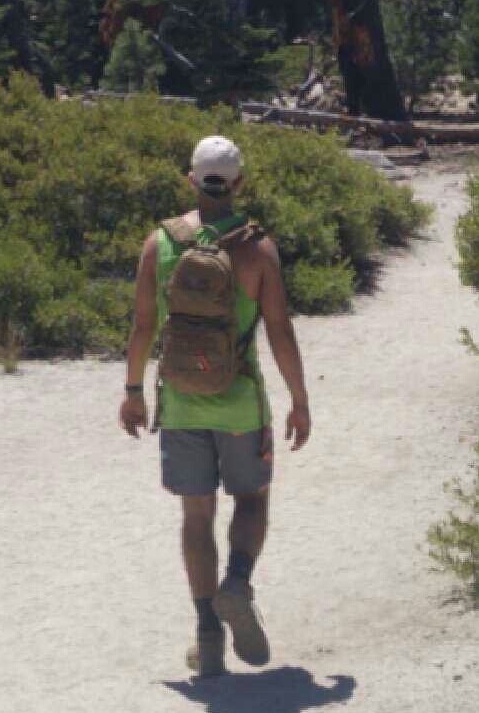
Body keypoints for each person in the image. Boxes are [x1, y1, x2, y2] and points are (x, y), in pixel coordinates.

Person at [119, 134, 312, 677]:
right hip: (241, 404)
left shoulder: (160, 243)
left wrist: (133, 392)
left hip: (179, 403)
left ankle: (206, 630)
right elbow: (278, 328)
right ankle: (238, 584)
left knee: (195, 515)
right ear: (239, 184)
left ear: (190, 179)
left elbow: (141, 327)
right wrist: (299, 399)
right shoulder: (257, 248)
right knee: (252, 500)